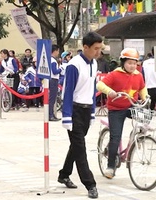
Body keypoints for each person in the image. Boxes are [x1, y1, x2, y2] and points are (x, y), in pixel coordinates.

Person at [59, 32, 102, 199]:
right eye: (96, 48)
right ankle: (90, 184)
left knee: (76, 146)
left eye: (100, 48)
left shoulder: (94, 63)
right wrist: (67, 116)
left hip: (86, 110)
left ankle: (64, 174)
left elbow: (92, 89)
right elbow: (67, 92)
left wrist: (92, 111)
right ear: (85, 47)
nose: (99, 52)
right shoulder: (74, 65)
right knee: (80, 148)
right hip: (74, 110)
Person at [96, 47, 148, 179]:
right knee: (116, 137)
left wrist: (145, 97)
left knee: (146, 120)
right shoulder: (115, 74)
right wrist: (110, 92)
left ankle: (138, 136)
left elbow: (142, 89)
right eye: (129, 63)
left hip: (132, 107)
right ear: (123, 62)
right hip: (116, 109)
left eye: (134, 63)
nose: (132, 66)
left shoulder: (138, 75)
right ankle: (110, 166)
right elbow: (100, 85)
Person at [49, 44, 62, 121]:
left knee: (52, 99)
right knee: (52, 99)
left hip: (51, 80)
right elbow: (55, 71)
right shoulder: (53, 61)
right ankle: (51, 115)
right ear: (55, 51)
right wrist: (61, 69)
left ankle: (51, 114)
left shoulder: (49, 59)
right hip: (53, 80)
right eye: (58, 51)